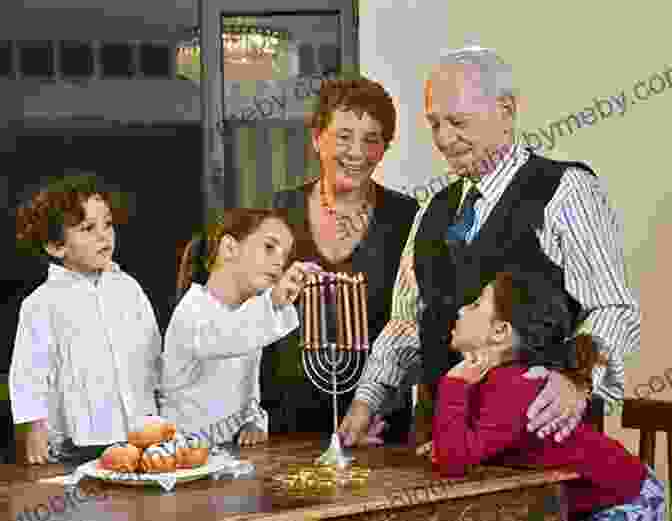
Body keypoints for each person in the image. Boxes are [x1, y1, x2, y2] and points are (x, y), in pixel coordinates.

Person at [339, 42, 641, 448]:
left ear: (506, 110)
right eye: (434, 124)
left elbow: (612, 308)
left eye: (458, 122)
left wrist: (577, 379)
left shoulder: (567, 191)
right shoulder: (432, 208)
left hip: (541, 456)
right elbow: (407, 323)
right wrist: (366, 403)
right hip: (442, 451)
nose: (444, 139)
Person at [426, 271, 665, 521]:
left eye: (475, 305)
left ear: (500, 332)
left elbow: (454, 463)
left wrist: (453, 383)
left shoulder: (513, 385)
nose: (462, 309)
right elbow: (480, 442)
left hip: (629, 496)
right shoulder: (495, 379)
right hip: (605, 493)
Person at [261, 77, 419, 442]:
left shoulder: (407, 217)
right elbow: (250, 311)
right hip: (285, 422)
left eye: (372, 139)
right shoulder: (278, 211)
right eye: (344, 136)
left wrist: (382, 403)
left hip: (375, 425)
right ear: (317, 138)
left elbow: (413, 325)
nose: (357, 152)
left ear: (385, 148)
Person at [10, 173, 162, 465]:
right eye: (87, 228)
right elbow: (29, 371)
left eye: (107, 224)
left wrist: (163, 403)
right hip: (77, 439)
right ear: (56, 246)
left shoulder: (129, 288)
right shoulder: (42, 303)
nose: (103, 235)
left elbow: (152, 352)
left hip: (136, 431)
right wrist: (35, 426)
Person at [159, 209, 322, 446]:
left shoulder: (248, 316)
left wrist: (253, 422)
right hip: (183, 461)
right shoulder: (191, 312)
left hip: (232, 461)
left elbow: (248, 392)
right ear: (230, 248)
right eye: (269, 247)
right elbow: (225, 337)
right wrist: (274, 301)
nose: (279, 261)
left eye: (284, 255)